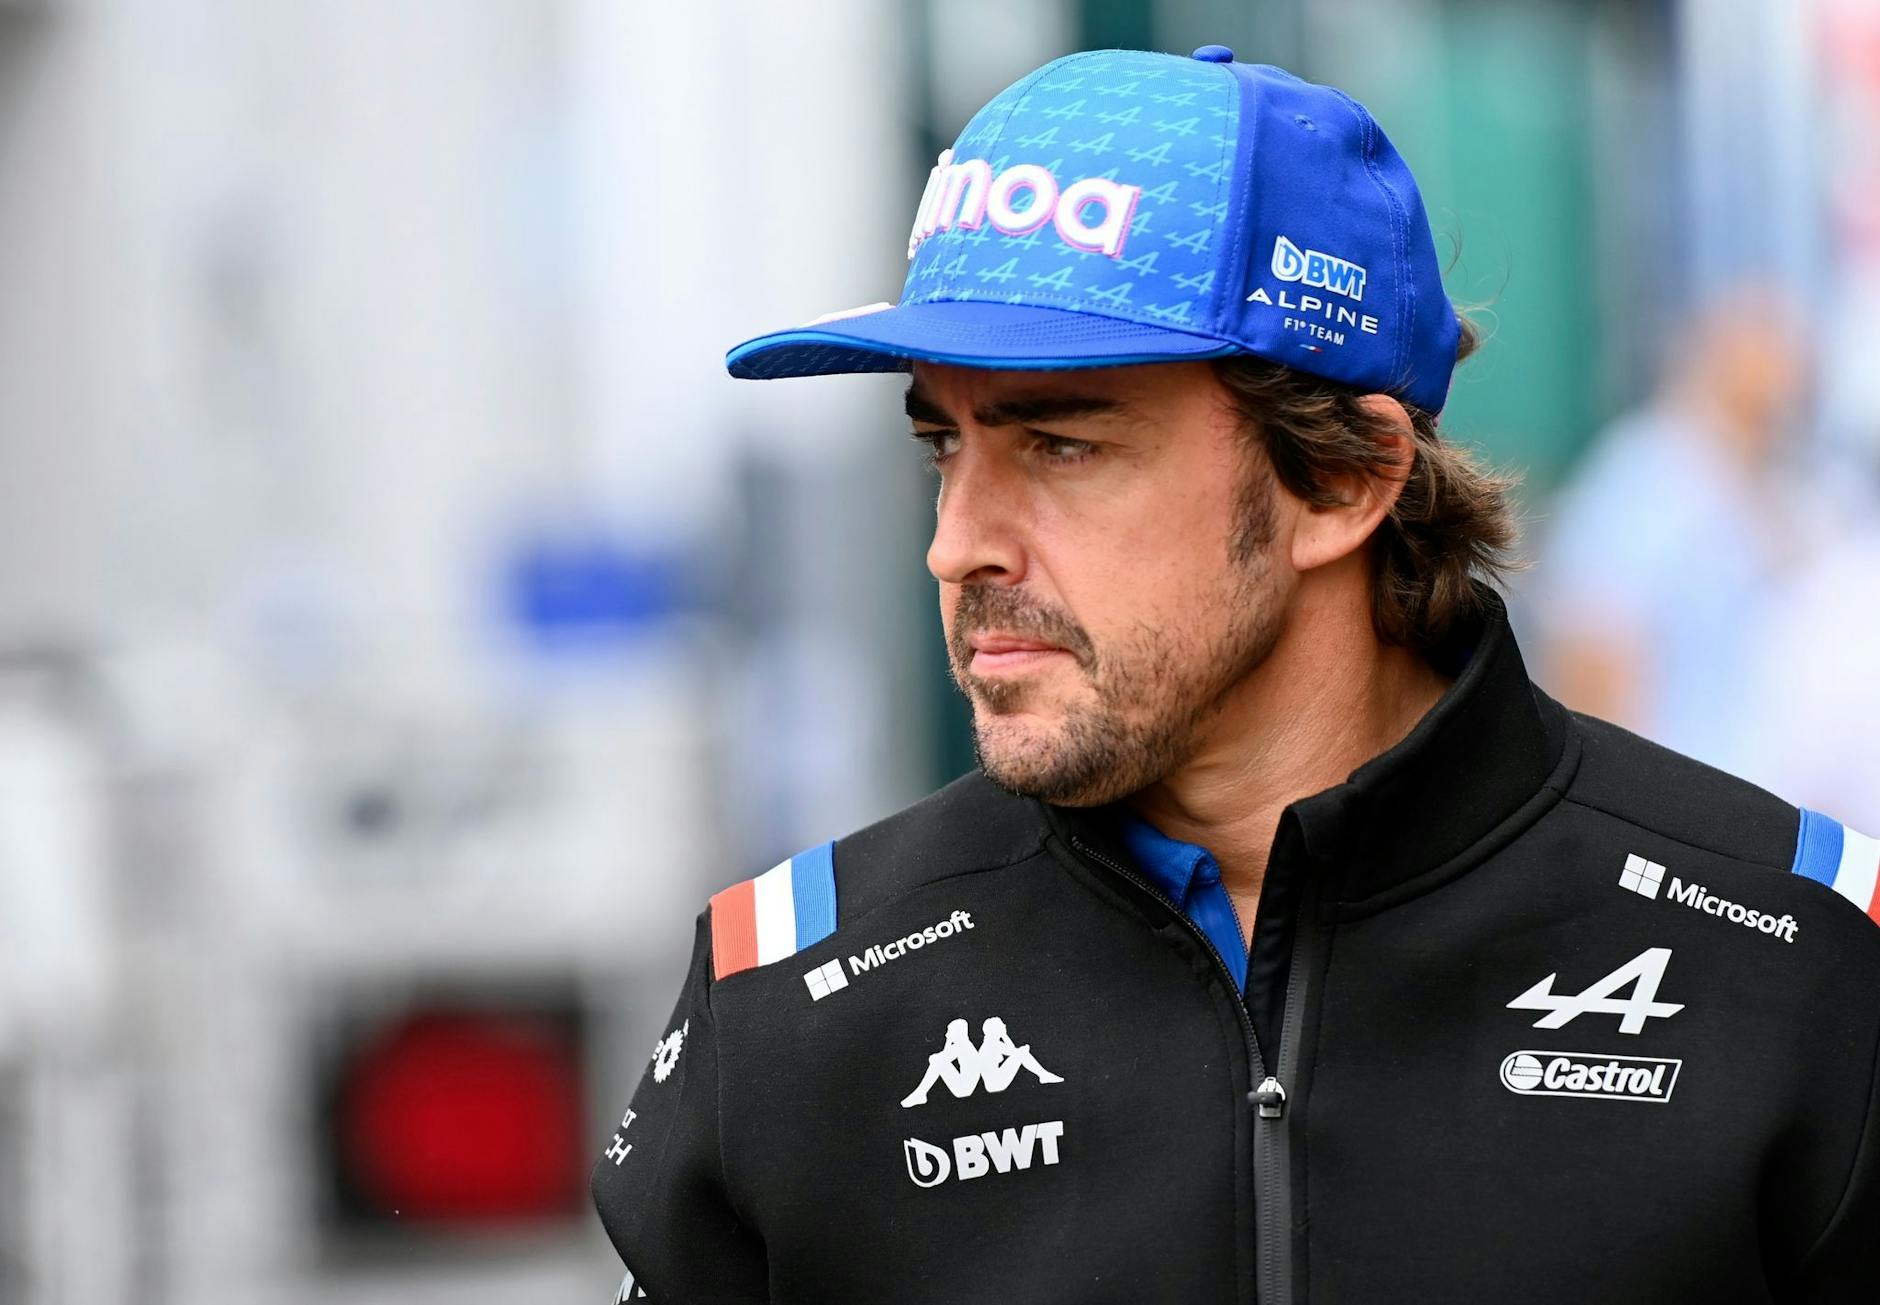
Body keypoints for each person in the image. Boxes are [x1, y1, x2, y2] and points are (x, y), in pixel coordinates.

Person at [591, 46, 1880, 1303]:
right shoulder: (792, 1003)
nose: (956, 544)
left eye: (1060, 447)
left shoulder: (1796, 960)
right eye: (945, 448)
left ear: (1343, 479)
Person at [1535, 286, 1813, 778]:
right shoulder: (1645, 477)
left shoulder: (1787, 481)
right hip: (1681, 794)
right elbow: (1588, 651)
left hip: (1768, 797)